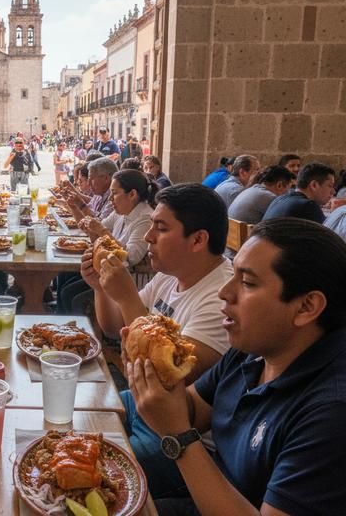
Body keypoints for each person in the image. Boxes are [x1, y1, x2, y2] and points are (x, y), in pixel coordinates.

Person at [128, 218, 346, 515]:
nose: (224, 292)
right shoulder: (253, 350)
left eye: (247, 282)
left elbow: (182, 426)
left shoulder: (331, 411)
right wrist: (155, 373)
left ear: (306, 307)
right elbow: (193, 410)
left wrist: (178, 434)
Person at [80, 183, 233, 498]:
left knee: (93, 468)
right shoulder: (171, 274)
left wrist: (124, 296)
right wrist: (100, 287)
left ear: (198, 239)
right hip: (143, 406)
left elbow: (165, 380)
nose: (149, 236)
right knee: (82, 411)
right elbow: (112, 328)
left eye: (160, 228)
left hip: (181, 436)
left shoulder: (221, 299)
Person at [60, 169, 156, 314]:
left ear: (132, 194)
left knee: (71, 295)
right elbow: (95, 235)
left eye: (115, 193)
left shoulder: (144, 218)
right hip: (106, 273)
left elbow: (130, 257)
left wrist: (101, 230)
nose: (110, 198)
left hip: (126, 284)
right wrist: (75, 209)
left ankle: (86, 333)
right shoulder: (121, 212)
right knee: (65, 282)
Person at [262, 162, 335, 224]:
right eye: (330, 186)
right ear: (314, 185)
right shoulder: (308, 206)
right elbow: (331, 235)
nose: (333, 191)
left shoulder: (280, 199)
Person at [228, 165, 293, 224]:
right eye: (288, 188)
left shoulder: (251, 189)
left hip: (233, 235)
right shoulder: (270, 198)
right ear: (279, 185)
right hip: (246, 236)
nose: (288, 192)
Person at [65, 157, 118, 222]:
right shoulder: (98, 195)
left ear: (106, 178)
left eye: (91, 178)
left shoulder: (114, 198)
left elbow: (98, 227)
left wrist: (80, 204)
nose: (89, 183)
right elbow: (84, 218)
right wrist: (73, 206)